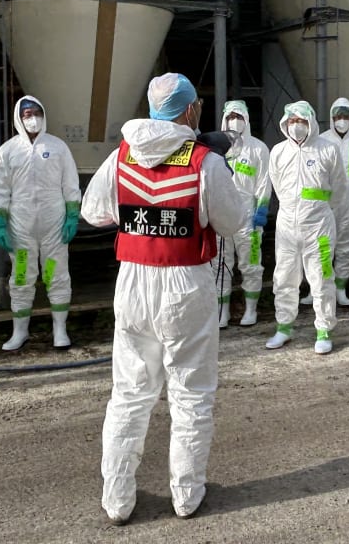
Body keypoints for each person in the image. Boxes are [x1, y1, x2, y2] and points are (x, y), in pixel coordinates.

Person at [80, 73, 243, 524]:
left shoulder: (121, 156)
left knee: (130, 394)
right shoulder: (205, 162)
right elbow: (231, 222)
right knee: (190, 392)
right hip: (185, 282)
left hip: (133, 281)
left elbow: (93, 212)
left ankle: (117, 499)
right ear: (190, 111)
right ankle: (186, 495)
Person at [0, 95, 81, 351]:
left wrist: (73, 215)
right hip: (20, 226)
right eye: (27, 114)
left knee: (56, 274)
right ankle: (20, 332)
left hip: (54, 225)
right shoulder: (8, 151)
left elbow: (70, 183)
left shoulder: (58, 147)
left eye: (36, 112)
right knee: (21, 276)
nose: (32, 118)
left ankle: (60, 330)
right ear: (19, 118)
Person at [265, 100, 347, 353]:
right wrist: (292, 207)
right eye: (292, 121)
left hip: (318, 226)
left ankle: (323, 330)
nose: (296, 126)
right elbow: (277, 185)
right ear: (285, 123)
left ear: (310, 123)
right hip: (287, 225)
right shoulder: (278, 151)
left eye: (301, 121)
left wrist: (317, 210)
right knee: (284, 277)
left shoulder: (327, 149)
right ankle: (284, 328)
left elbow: (339, 188)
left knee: (321, 277)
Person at [301, 97, 349, 306]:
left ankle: (340, 288)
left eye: (346, 116)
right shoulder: (320, 140)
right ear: (331, 118)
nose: (342, 120)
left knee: (347, 247)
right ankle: (317, 290)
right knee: (320, 247)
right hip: (325, 205)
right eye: (338, 116)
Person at [214, 99, 271, 327]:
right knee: (221, 262)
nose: (234, 121)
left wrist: (262, 209)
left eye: (238, 117)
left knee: (251, 263)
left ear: (246, 120)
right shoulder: (216, 147)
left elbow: (264, 182)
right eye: (230, 117)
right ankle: (222, 311)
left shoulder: (258, 148)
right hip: (221, 212)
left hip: (248, 214)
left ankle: (251, 310)